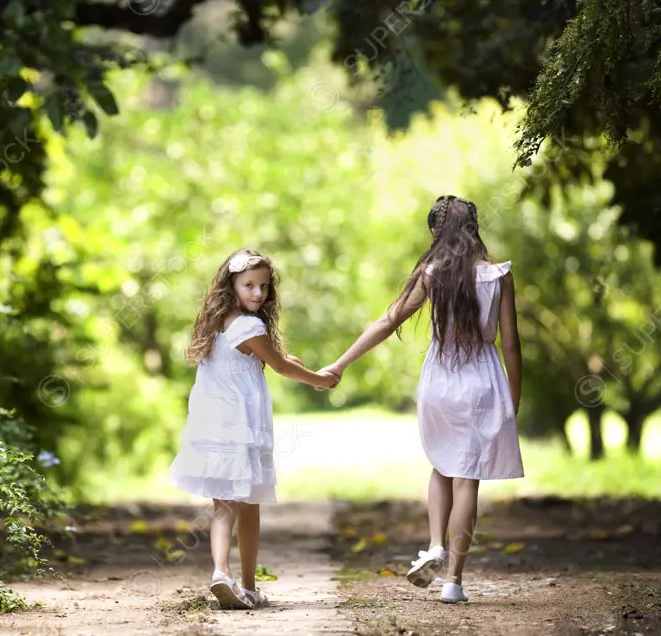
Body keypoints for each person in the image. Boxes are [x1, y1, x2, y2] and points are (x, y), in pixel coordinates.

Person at [320, 195, 524, 604]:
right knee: (468, 478)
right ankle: (454, 582)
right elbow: (512, 345)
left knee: (441, 466)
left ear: (437, 231)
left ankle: (434, 544)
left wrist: (340, 365)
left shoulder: (432, 274)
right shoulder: (498, 275)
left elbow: (388, 320)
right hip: (483, 380)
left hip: (441, 379)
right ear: (474, 229)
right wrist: (512, 401)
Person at [171, 248, 339, 608]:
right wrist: (319, 380)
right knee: (250, 505)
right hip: (242, 424)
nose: (258, 294)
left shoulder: (218, 322)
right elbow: (278, 366)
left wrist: (279, 360)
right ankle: (247, 585)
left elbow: (254, 360)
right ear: (230, 284)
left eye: (263, 286)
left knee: (223, 504)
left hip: (214, 421)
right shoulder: (250, 325)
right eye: (249, 285)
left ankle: (221, 573)